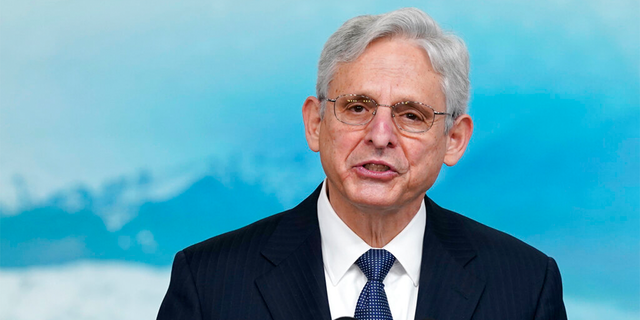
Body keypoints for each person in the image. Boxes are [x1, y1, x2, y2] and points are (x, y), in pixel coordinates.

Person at [157, 7, 567, 320]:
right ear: (316, 123)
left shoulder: (526, 286)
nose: (380, 135)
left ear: (454, 140)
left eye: (411, 115)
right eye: (357, 107)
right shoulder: (208, 283)